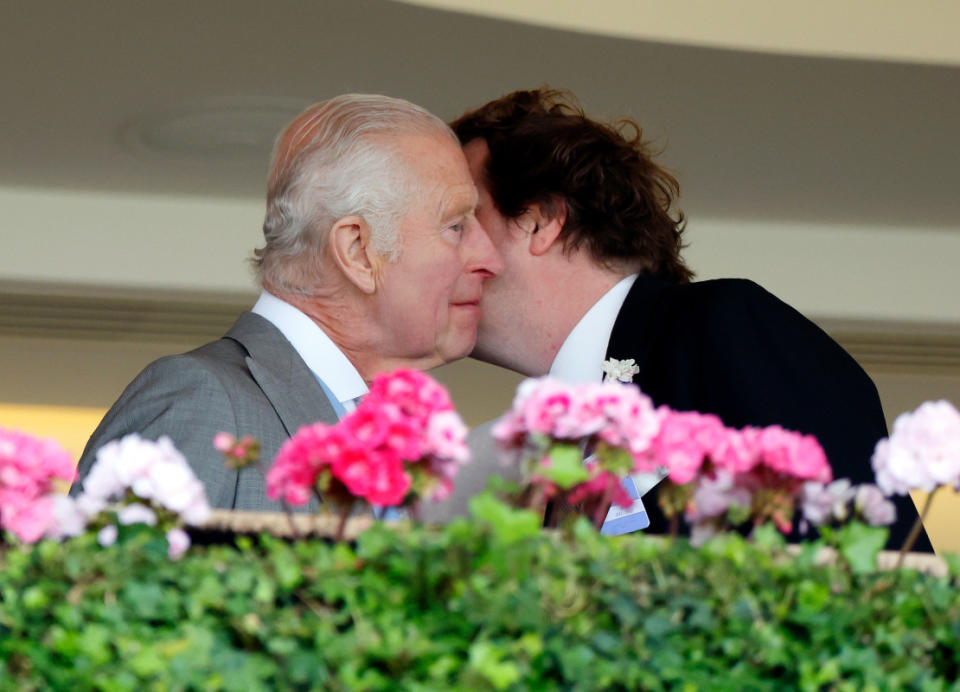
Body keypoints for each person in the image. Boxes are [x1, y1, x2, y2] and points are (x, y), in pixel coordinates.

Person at [450, 87, 930, 550]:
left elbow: (845, 561)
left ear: (540, 221)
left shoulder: (725, 326)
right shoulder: (537, 454)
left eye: (460, 220)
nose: (442, 251)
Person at [74, 94, 502, 511]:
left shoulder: (386, 432)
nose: (490, 259)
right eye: (456, 226)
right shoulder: (203, 400)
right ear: (357, 250)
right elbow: (103, 582)